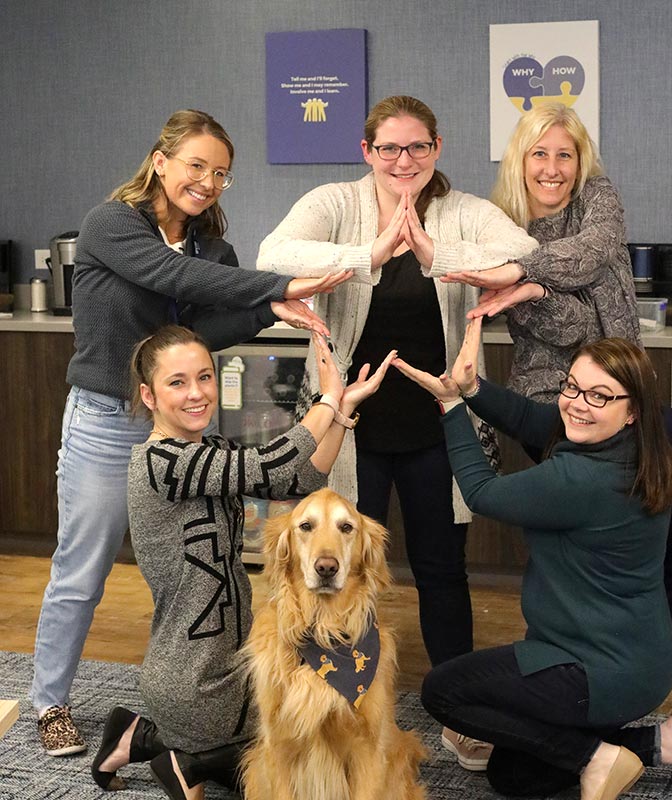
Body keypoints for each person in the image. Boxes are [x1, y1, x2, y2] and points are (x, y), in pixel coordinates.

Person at [30, 109, 351, 757]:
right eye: (197, 165)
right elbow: (172, 278)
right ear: (161, 161)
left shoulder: (215, 250)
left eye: (222, 174)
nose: (207, 182)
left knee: (197, 577)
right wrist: (280, 284)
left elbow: (204, 335)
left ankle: (195, 702)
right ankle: (49, 703)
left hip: (179, 429)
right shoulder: (112, 224)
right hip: (104, 418)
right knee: (81, 573)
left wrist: (266, 309)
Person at [394, 320, 672, 800]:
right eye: (572, 387)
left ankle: (594, 757)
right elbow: (528, 418)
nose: (578, 403)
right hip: (635, 656)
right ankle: (662, 742)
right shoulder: (639, 447)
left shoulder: (581, 481)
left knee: (443, 691)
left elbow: (480, 491)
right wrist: (473, 386)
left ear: (631, 411)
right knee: (517, 776)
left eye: (599, 395)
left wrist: (452, 405)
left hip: (596, 668)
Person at [255, 95, 535, 692]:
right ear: (367, 151)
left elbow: (523, 253)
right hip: (348, 428)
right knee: (336, 569)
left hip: (440, 422)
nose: (403, 160)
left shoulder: (462, 211)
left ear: (437, 148)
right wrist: (369, 254)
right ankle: (335, 693)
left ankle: (460, 703)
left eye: (417, 147)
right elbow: (272, 254)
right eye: (389, 148)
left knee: (441, 568)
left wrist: (441, 256)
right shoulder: (336, 204)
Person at [440, 102, 672, 677]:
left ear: (580, 160)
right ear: (519, 161)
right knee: (597, 518)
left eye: (564, 154)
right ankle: (573, 641)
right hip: (554, 398)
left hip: (620, 394)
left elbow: (600, 267)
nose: (552, 168)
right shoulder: (503, 228)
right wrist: (550, 294)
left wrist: (526, 277)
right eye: (538, 154)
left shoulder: (599, 200)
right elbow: (579, 328)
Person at [90, 325, 394, 799]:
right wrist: (327, 401)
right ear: (148, 395)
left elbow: (297, 480)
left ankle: (148, 739)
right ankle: (173, 754)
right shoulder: (157, 461)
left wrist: (343, 411)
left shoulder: (210, 451)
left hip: (240, 664)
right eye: (177, 382)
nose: (197, 393)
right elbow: (270, 464)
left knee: (307, 736)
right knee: (278, 762)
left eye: (205, 377)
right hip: (194, 682)